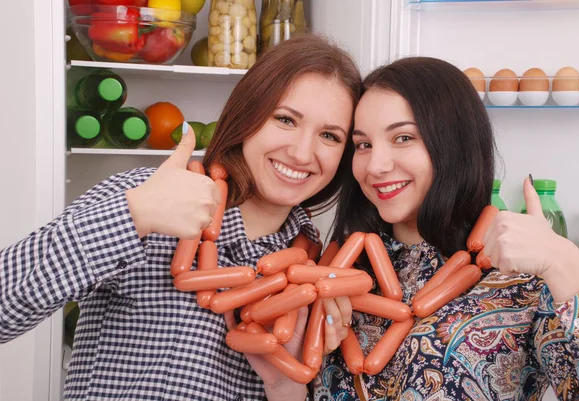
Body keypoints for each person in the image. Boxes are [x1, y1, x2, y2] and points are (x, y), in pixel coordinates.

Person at [0, 34, 361, 400]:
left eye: (329, 136)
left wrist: (287, 384)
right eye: (285, 119)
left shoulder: (320, 273)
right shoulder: (145, 195)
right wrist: (134, 216)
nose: (302, 152)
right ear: (248, 114)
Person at [254, 56, 579, 400]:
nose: (376, 165)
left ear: (454, 144)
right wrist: (286, 385)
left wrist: (564, 261)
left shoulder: (521, 278)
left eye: (403, 138)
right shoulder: (335, 274)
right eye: (363, 144)